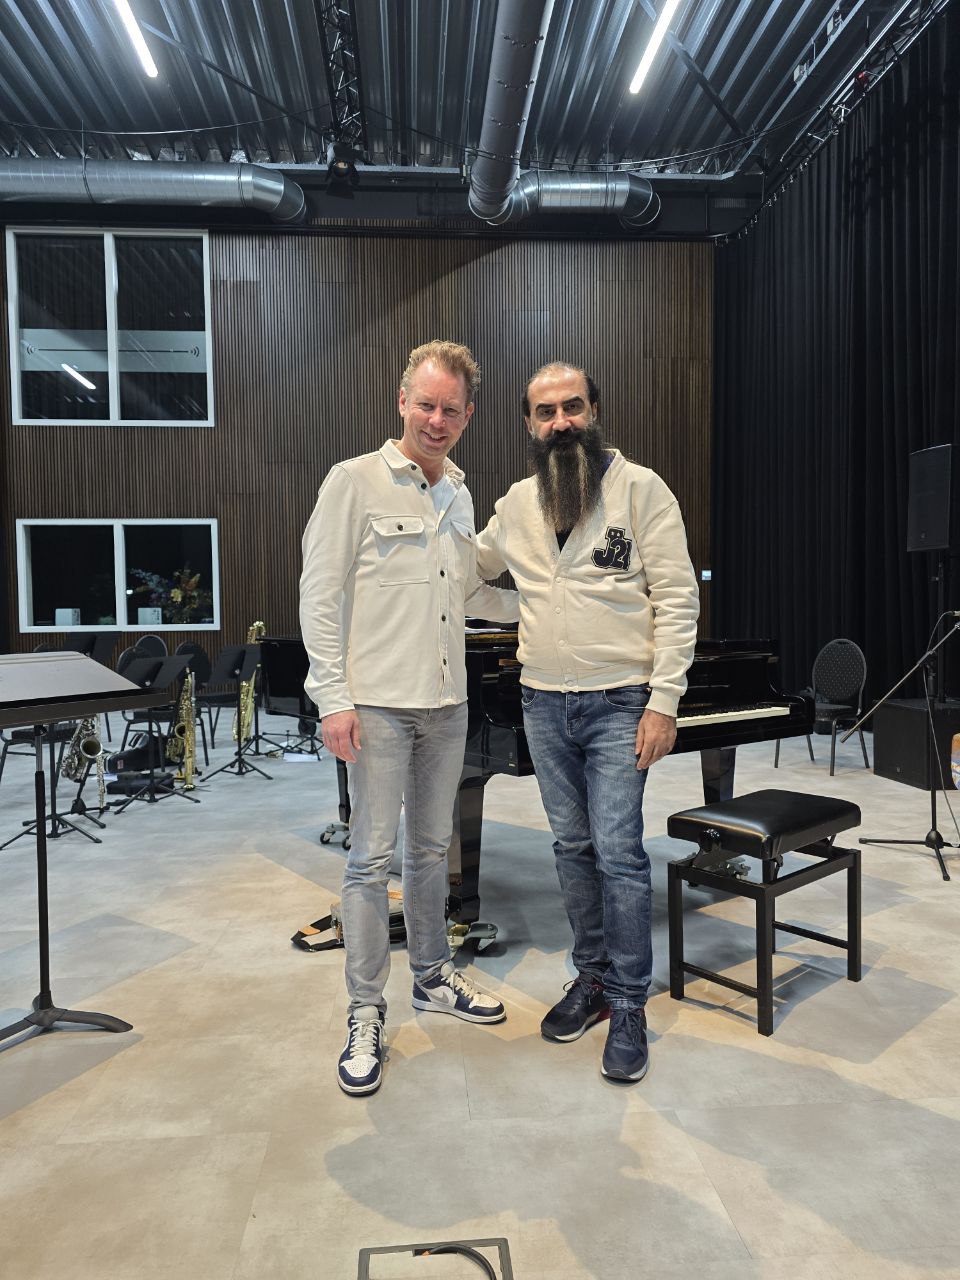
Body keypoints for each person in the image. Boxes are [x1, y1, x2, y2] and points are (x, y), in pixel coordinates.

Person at [299, 340, 518, 1097]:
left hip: (447, 704)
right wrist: (333, 698)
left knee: (429, 853)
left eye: (450, 409)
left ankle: (432, 977)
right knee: (370, 861)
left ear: (468, 416)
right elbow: (319, 595)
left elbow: (470, 594)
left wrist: (547, 608)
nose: (436, 419)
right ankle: (365, 1009)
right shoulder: (353, 481)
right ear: (402, 402)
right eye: (425, 404)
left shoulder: (458, 493)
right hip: (379, 705)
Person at [474, 362, 699, 1082]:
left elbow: (678, 599)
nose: (560, 421)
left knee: (619, 852)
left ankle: (629, 1001)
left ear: (594, 410)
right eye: (545, 412)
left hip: (620, 703)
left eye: (572, 406)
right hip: (542, 701)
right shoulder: (516, 504)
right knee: (571, 847)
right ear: (529, 423)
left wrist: (664, 701)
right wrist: (520, 610)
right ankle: (593, 977)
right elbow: (467, 573)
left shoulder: (642, 490)